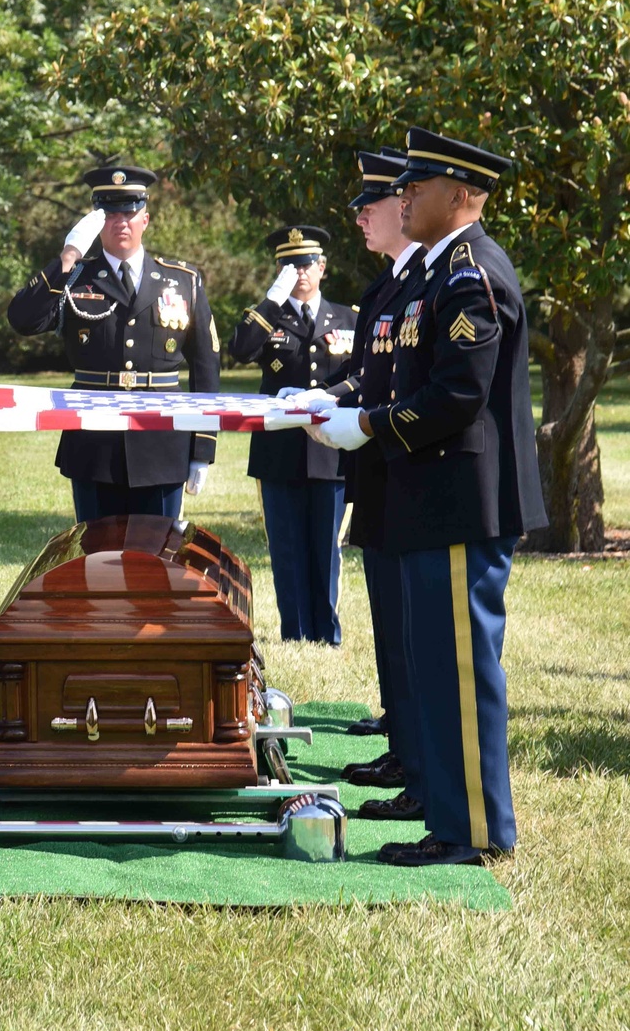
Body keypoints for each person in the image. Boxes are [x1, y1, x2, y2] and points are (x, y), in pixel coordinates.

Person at [308, 127, 547, 866]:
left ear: (464, 196)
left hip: (458, 502)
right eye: (404, 186)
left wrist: (367, 425)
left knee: (460, 677)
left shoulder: (471, 273)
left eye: (421, 186)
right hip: (433, 499)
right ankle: (451, 817)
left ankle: (474, 831)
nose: (404, 195)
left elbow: (456, 396)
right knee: (436, 674)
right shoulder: (441, 271)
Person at [288, 150, 427, 812]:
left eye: (371, 205)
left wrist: (357, 417)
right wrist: (329, 399)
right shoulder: (387, 288)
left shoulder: (428, 282)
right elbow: (373, 377)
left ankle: (416, 748)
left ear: (408, 206)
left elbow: (424, 389)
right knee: (391, 619)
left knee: (410, 626)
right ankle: (404, 739)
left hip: (406, 468)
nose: (360, 218)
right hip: (381, 471)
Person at [7, 165, 221, 521]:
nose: (120, 221)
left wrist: (203, 445)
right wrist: (67, 256)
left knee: (156, 564)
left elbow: (205, 365)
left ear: (145, 219)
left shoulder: (183, 280)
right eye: (108, 213)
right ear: (95, 222)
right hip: (94, 445)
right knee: (96, 563)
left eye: (129, 211)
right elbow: (22, 319)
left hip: (162, 442)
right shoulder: (76, 277)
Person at [229, 226, 356, 644]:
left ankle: (327, 632)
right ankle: (295, 632)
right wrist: (272, 297)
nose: (298, 272)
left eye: (305, 263)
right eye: (288, 264)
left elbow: (361, 374)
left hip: (330, 450)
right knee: (286, 548)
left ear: (322, 266)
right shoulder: (270, 317)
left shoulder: (348, 317)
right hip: (278, 450)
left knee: (326, 547)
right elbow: (240, 349)